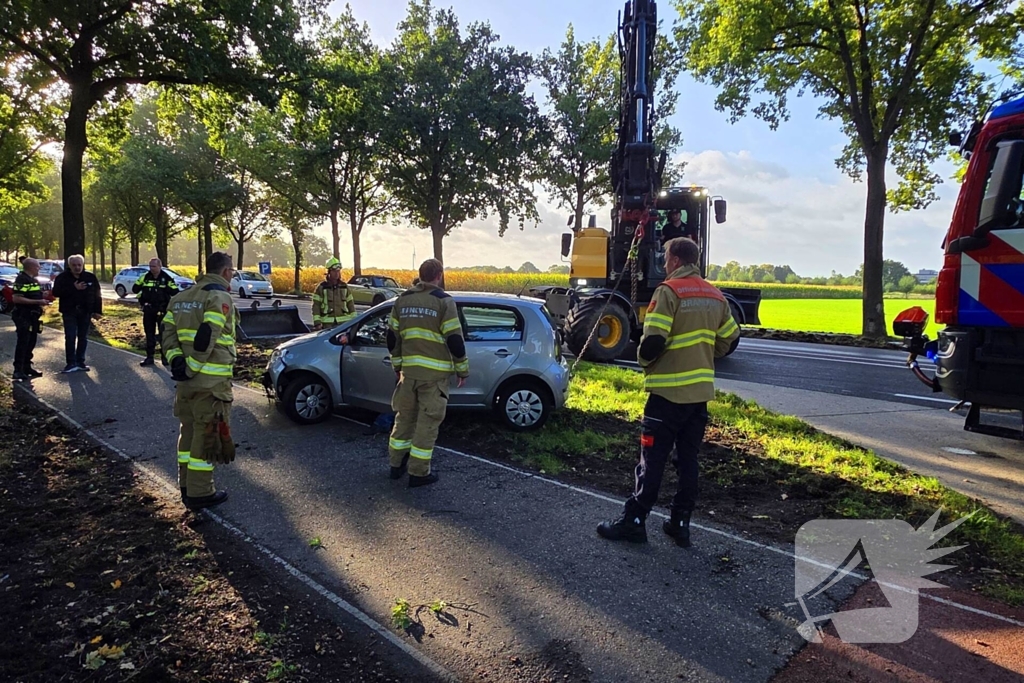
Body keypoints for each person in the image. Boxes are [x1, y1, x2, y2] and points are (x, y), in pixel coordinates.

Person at [597, 237, 739, 548]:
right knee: (688, 461)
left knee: (653, 459)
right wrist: (703, 353)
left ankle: (634, 521)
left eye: (666, 257)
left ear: (675, 260)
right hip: (699, 396)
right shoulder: (715, 295)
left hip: (666, 397)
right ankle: (680, 523)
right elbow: (731, 338)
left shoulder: (669, 291)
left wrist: (645, 363)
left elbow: (653, 342)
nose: (663, 262)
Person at [162, 251, 238, 509]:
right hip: (210, 385)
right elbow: (208, 337)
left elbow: (168, 336)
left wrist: (177, 363)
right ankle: (200, 493)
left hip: (185, 384)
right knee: (206, 438)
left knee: (188, 433)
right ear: (226, 272)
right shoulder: (219, 297)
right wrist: (193, 367)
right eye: (232, 272)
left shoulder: (180, 298)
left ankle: (185, 486)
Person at [385, 258, 469, 487]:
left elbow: (392, 338)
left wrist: (398, 366)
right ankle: (419, 473)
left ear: (420, 275)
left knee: (403, 420)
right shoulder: (444, 302)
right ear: (439, 275)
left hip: (409, 375)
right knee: (427, 423)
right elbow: (454, 339)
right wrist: (462, 369)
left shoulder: (402, 300)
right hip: (434, 377)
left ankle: (395, 465)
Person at [51, 254, 103, 373]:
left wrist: (97, 311)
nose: (77, 267)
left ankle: (80, 361)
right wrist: (73, 288)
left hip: (85, 311)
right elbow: (56, 292)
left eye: (79, 265)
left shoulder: (90, 277)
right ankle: (70, 363)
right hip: (69, 311)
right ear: (69, 265)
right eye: (74, 265)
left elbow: (97, 294)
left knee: (83, 337)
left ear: (83, 264)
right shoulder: (62, 278)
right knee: (70, 336)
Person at [133, 258, 179, 367]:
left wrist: (167, 290)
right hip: (148, 311)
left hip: (162, 311)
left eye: (153, 266)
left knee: (163, 335)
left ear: (159, 266)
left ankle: (164, 358)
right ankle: (149, 357)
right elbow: (135, 289)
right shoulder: (145, 277)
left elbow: (175, 292)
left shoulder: (166, 278)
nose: (151, 268)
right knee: (149, 334)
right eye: (150, 266)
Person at [10, 258, 50, 381]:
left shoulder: (32, 280)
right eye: (38, 267)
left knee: (31, 341)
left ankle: (27, 367)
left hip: (33, 316)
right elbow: (16, 298)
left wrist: (41, 296)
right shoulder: (22, 279)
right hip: (23, 315)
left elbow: (30, 294)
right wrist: (38, 301)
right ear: (31, 267)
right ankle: (18, 370)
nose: (39, 269)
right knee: (23, 342)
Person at [312, 258, 356, 330]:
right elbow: (316, 306)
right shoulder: (322, 288)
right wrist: (317, 323)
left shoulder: (344, 287)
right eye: (334, 271)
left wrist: (354, 321)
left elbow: (351, 304)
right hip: (327, 325)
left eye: (338, 271)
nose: (336, 273)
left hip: (343, 324)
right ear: (329, 272)